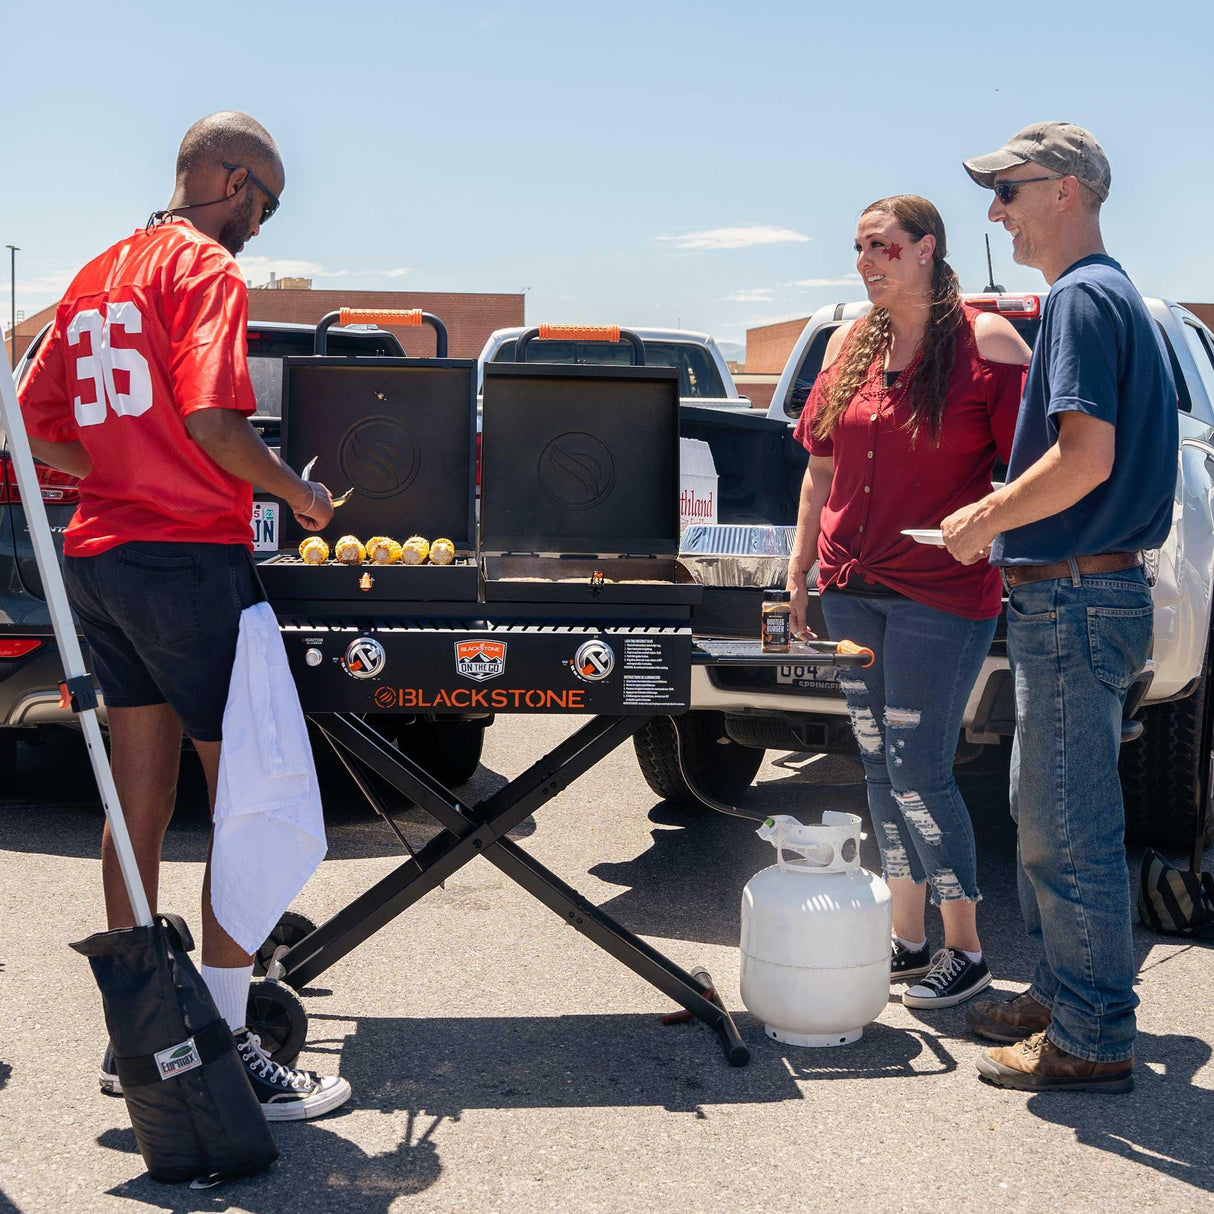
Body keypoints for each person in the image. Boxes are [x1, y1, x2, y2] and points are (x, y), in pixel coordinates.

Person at [18, 112, 352, 1120]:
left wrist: (120, 466)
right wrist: (298, 492)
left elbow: (31, 424)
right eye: (260, 195)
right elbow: (213, 422)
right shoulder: (203, 271)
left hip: (101, 561)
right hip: (187, 562)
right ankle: (221, 1039)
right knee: (246, 794)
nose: (258, 217)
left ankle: (139, 1040)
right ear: (222, 173)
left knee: (137, 799)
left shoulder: (91, 275)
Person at [944, 122, 1177, 1092]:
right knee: (1040, 807)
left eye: (1009, 189)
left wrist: (982, 517)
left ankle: (1088, 1032)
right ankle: (1059, 988)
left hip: (1077, 599)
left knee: (1064, 822)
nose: (993, 211)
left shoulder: (1081, 299)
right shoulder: (1099, 295)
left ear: (1066, 191)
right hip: (1083, 597)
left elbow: (1083, 458)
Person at [787, 195, 1030, 1008]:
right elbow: (820, 465)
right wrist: (798, 566)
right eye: (859, 247)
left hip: (942, 593)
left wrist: (989, 525)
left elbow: (1035, 468)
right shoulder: (853, 342)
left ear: (927, 249)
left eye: (884, 246)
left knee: (922, 768)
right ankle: (907, 938)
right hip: (851, 589)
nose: (867, 261)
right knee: (878, 765)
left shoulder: (987, 344)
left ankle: (966, 950)